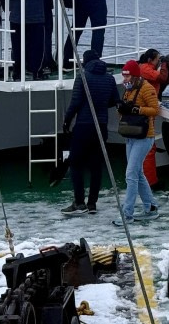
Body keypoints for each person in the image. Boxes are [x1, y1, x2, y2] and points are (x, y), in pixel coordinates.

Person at [61, 49, 120, 214]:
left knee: (76, 163)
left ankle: (79, 203)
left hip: (84, 125)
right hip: (101, 126)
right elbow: (115, 100)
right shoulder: (109, 78)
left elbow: (75, 102)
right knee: (96, 166)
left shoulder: (83, 76)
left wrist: (67, 121)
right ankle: (92, 203)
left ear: (85, 61)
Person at [113, 60, 160, 225]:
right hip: (131, 135)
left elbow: (155, 109)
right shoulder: (128, 90)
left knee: (130, 174)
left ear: (134, 75)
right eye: (123, 76)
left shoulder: (146, 88)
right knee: (137, 173)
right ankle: (151, 206)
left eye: (127, 76)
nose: (124, 79)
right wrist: (122, 108)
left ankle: (128, 214)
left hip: (145, 136)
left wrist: (136, 110)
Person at [137, 49, 169, 187]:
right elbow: (162, 78)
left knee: (144, 147)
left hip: (141, 112)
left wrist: (168, 65)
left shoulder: (143, 68)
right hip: (146, 113)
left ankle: (144, 179)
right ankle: (150, 182)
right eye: (157, 59)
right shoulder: (145, 69)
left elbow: (166, 81)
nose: (159, 61)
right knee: (148, 148)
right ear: (149, 60)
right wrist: (165, 64)